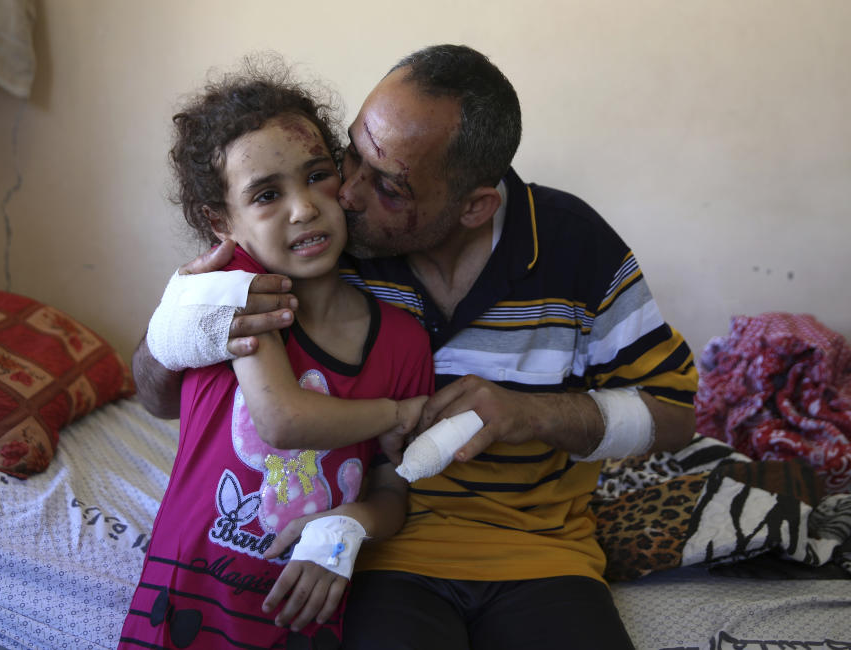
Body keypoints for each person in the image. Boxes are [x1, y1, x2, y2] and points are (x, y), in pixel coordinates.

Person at [134, 45, 699, 649]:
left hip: (540, 554)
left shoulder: (574, 247)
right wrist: (175, 329)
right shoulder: (319, 245)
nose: (344, 194)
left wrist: (531, 413)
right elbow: (170, 395)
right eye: (350, 153)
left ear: (474, 207)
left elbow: (675, 417)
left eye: (389, 187)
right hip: (387, 554)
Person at [118, 60, 434, 650]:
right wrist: (399, 413)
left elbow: (393, 489)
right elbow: (282, 420)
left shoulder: (403, 341)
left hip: (304, 610)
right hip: (187, 594)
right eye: (267, 194)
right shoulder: (233, 299)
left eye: (317, 176)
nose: (304, 208)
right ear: (221, 222)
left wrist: (352, 524)